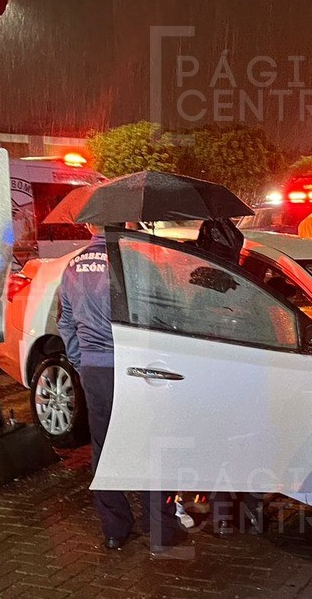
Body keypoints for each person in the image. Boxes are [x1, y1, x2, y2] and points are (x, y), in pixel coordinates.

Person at [56, 223, 188, 558]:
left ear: (89, 225)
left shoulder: (72, 266)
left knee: (104, 448)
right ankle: (160, 530)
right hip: (138, 369)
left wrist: (81, 360)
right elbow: (165, 317)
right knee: (152, 446)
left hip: (96, 370)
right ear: (125, 223)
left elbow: (66, 322)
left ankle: (114, 530)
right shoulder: (139, 263)